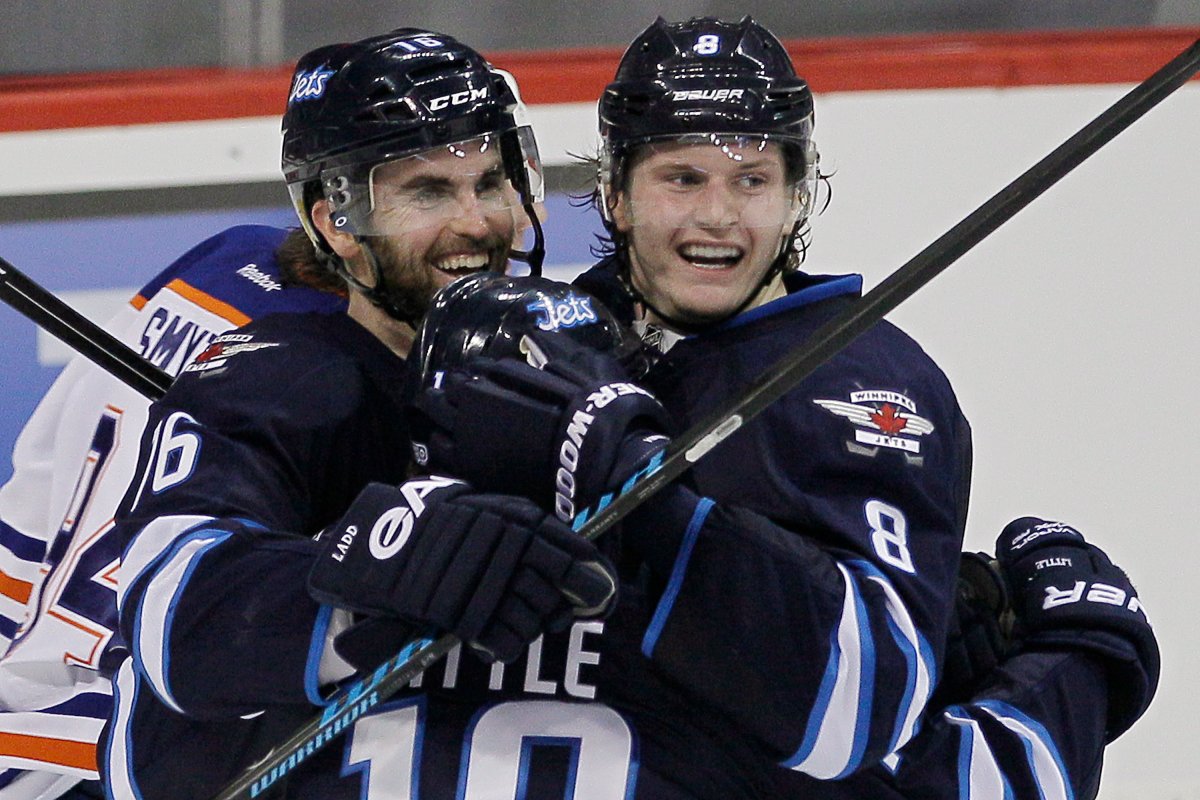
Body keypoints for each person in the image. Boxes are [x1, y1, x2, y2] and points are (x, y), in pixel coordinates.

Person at [409, 16, 1157, 799]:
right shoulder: (543, 338)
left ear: (798, 198)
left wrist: (636, 488)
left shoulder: (865, 380)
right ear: (615, 195)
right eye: (682, 177)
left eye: (752, 180)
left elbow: (856, 712)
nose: (719, 215)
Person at [97, 27, 620, 800]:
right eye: (427, 192)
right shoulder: (278, 380)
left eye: (491, 182)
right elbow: (174, 613)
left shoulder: (575, 354)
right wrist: (370, 586)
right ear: (337, 220)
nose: (476, 223)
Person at [0, 225, 345, 799]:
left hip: (27, 733)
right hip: (133, 754)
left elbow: (40, 478)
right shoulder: (360, 360)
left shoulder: (221, 263)